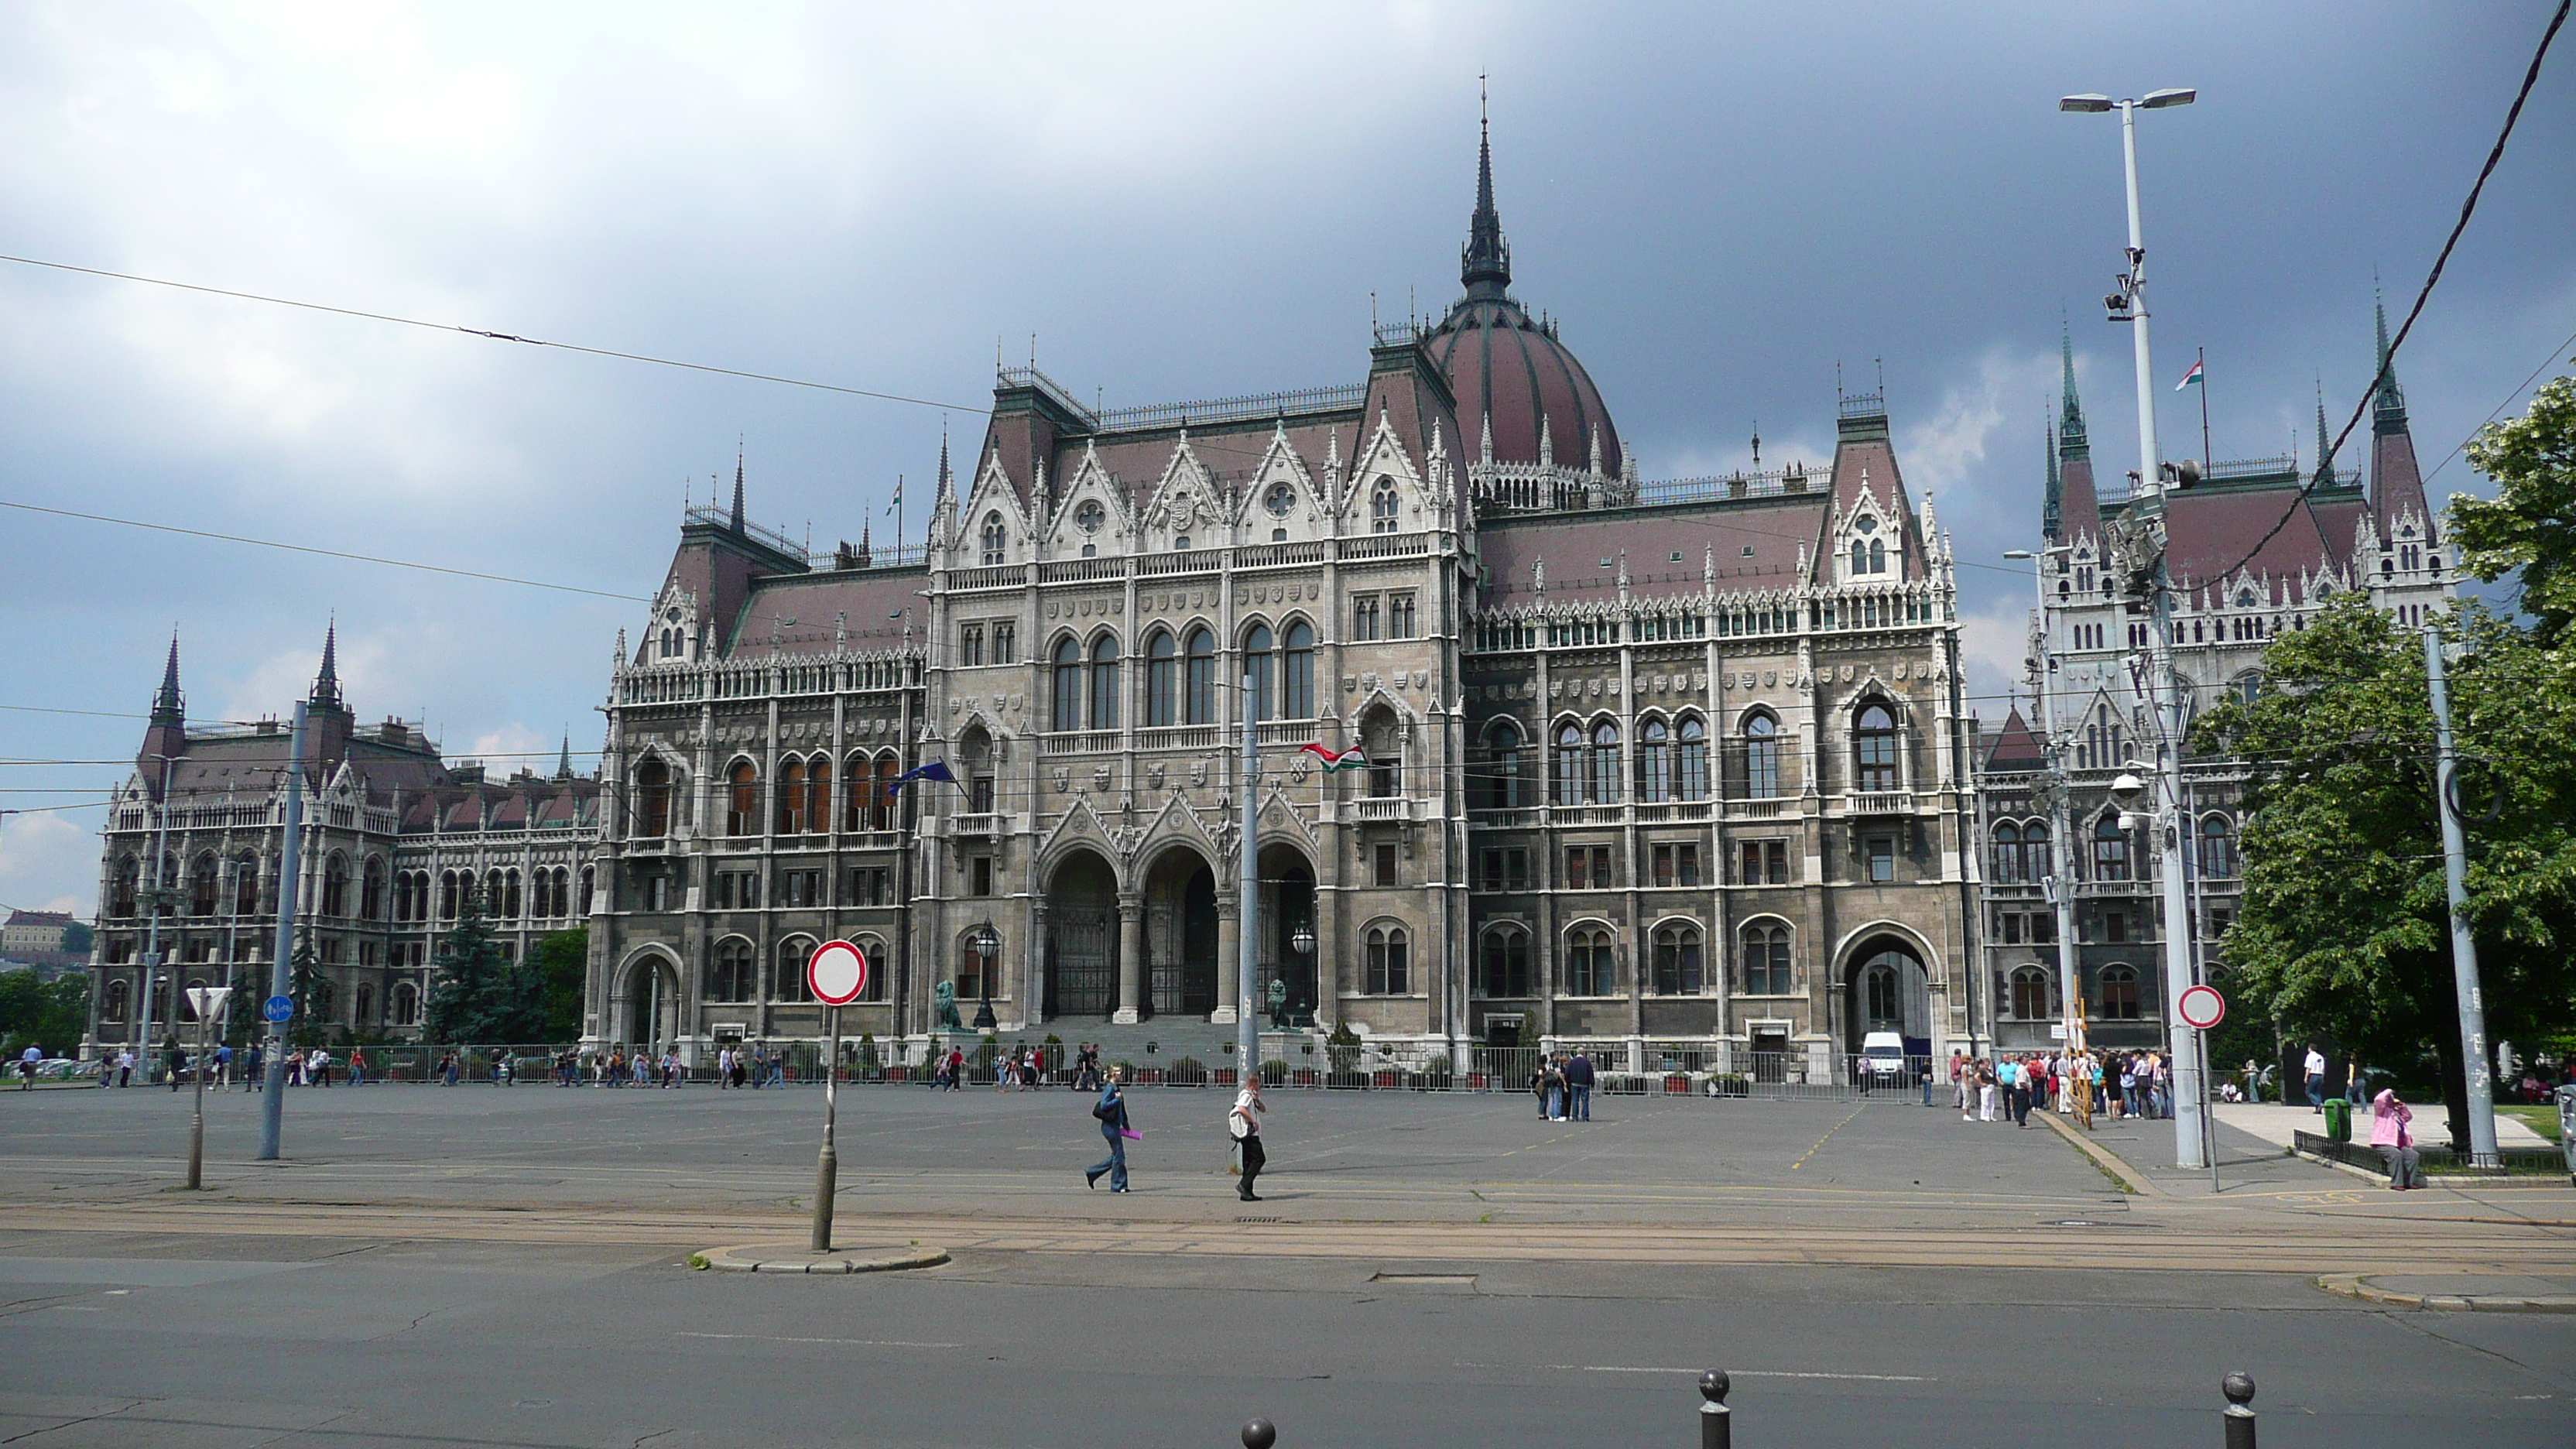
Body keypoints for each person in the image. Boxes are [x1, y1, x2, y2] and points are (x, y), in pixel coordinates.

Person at [1085, 1066, 1132, 1192]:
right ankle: (1118, 1185)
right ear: (1113, 1075)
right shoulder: (1110, 1089)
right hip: (1109, 1127)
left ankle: (1092, 1172)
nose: (1122, 1075)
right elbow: (1104, 1105)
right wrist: (1117, 1100)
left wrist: (1126, 1124)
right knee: (1119, 1156)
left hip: (1116, 1125)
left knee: (1117, 1156)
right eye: (1120, 1073)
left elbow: (1122, 1108)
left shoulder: (1116, 1088)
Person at [2369, 1088, 2424, 1190]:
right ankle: (2397, 1183)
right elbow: (2379, 1100)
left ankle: (2408, 1182)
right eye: (2389, 1099)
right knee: (2396, 1155)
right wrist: (2389, 1091)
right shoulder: (2382, 1111)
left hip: (2397, 1144)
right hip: (2382, 1142)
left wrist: (2401, 1106)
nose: (2391, 1100)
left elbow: (2408, 1117)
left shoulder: (2395, 1113)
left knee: (2413, 1155)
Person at [1230, 1073, 1268, 1201]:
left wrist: (1257, 1100)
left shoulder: (1251, 1097)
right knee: (1259, 1159)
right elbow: (1241, 1109)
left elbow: (1263, 1109)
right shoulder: (1245, 1096)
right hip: (1251, 1135)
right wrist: (1253, 1121)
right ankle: (1244, 1184)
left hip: (1249, 1135)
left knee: (1248, 1162)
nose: (1259, 1088)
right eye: (1258, 1085)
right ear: (1254, 1084)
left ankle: (1247, 1193)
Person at [1565, 1049, 1595, 1122]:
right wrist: (1592, 1083)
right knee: (1585, 1101)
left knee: (1575, 1100)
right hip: (1584, 1083)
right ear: (1583, 1053)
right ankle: (1585, 1117)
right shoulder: (1587, 1062)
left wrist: (1569, 1081)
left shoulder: (1572, 1062)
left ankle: (1575, 1116)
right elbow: (1590, 1073)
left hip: (1574, 1083)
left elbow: (1567, 1073)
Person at [2304, 1045, 2327, 1112]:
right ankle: (2318, 1109)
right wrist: (2322, 1077)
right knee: (2317, 1092)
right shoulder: (2320, 1057)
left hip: (2313, 1075)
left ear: (2310, 1049)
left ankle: (2318, 1103)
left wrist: (2306, 1077)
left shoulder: (2310, 1056)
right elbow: (2323, 1068)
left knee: (2309, 1092)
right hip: (2320, 1075)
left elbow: (2309, 1068)